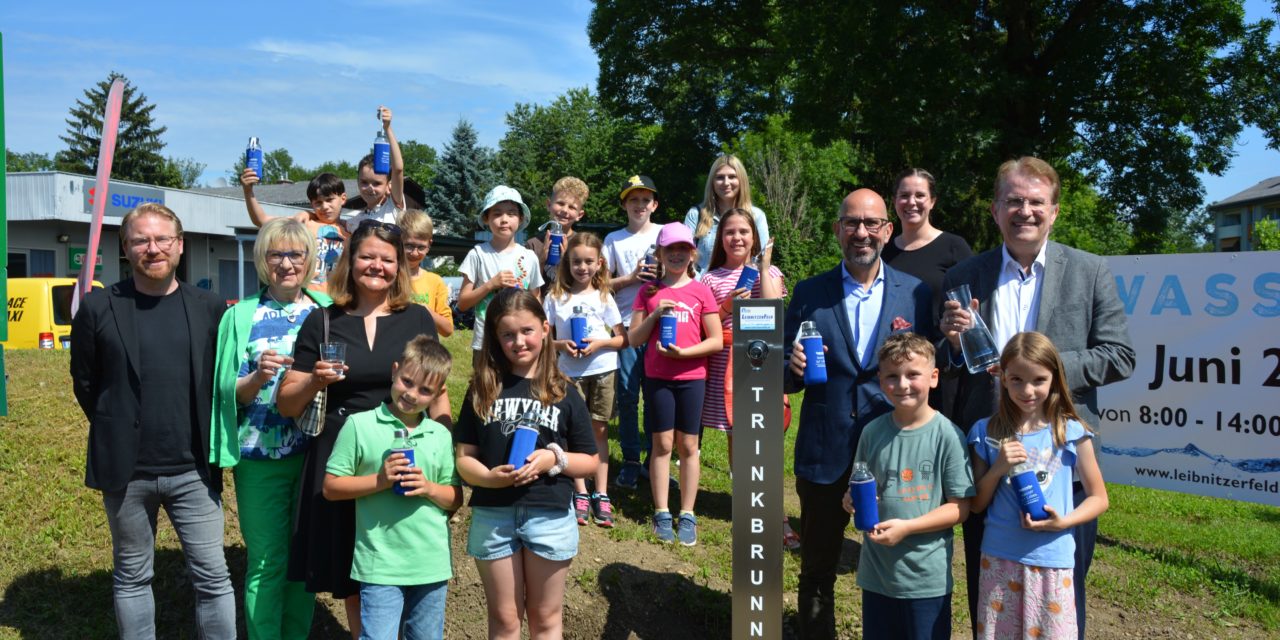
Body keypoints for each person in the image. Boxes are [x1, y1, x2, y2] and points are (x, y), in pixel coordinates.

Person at [940, 157, 1134, 638]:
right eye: (1013, 201)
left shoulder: (1090, 271)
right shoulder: (965, 275)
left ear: (1055, 211)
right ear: (994, 210)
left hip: (1061, 457)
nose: (1024, 211)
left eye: (1035, 202)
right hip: (989, 454)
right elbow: (946, 369)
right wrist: (949, 342)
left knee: (1063, 591)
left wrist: (1038, 371)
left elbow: (1120, 355)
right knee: (989, 592)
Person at [277, 219, 450, 638]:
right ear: (350, 261)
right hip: (343, 456)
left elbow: (438, 391)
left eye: (387, 259)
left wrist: (447, 450)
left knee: (401, 557)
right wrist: (315, 379)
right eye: (367, 256)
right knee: (352, 571)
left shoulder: (418, 319)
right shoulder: (321, 321)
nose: (377, 266)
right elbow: (286, 403)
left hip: (405, 454)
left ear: (400, 266)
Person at [70, 203, 235, 639]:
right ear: (126, 248)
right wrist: (116, 424)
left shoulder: (210, 307)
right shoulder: (98, 306)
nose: (153, 248)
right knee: (131, 575)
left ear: (180, 246)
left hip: (194, 469)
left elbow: (222, 382)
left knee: (213, 578)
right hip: (127, 470)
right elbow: (85, 382)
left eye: (163, 239)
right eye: (141, 240)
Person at [783, 189, 934, 640]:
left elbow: (929, 371)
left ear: (888, 231)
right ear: (837, 231)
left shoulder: (917, 295)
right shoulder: (811, 291)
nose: (861, 233)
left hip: (894, 451)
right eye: (851, 223)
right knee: (817, 571)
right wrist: (790, 367)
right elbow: (781, 376)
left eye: (871, 223)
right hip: (823, 452)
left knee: (895, 567)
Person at [453, 289, 599, 639]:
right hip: (494, 516)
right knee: (504, 620)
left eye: (527, 331)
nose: (519, 341)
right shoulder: (482, 389)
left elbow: (590, 462)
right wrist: (489, 477)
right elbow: (464, 459)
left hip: (549, 515)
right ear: (495, 338)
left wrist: (555, 458)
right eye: (507, 334)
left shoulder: (564, 391)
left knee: (545, 618)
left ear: (546, 329)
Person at [211, 218, 330, 639]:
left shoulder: (325, 311)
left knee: (302, 558)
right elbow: (228, 393)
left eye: (295, 254)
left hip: (315, 455)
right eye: (276, 254)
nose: (286, 263)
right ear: (263, 260)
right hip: (258, 456)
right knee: (266, 560)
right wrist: (258, 377)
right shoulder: (240, 316)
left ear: (309, 259)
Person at [967, 332, 1110, 640]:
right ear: (1003, 378)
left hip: (1052, 561)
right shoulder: (985, 432)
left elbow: (1099, 498)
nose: (1027, 390)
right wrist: (998, 469)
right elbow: (976, 504)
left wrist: (1064, 521)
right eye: (1016, 379)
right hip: (1000, 559)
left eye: (1038, 380)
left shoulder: (1071, 432)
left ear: (1055, 379)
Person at [323, 336, 462, 640]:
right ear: (394, 371)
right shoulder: (359, 426)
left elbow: (455, 498)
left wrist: (427, 487)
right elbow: (331, 487)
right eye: (407, 382)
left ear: (438, 393)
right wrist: (379, 481)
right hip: (379, 565)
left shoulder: (439, 434)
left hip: (430, 565)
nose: (412, 394)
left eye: (425, 390)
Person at [841, 333, 974, 640]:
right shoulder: (872, 432)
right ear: (880, 379)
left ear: (934, 377)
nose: (902, 385)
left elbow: (960, 507)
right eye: (892, 376)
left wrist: (908, 527)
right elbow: (859, 486)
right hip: (877, 575)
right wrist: (850, 500)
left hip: (925, 579)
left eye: (913, 374)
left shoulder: (949, 436)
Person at [697, 208, 799, 550]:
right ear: (720, 238)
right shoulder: (710, 278)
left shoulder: (769, 273)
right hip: (724, 362)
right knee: (735, 437)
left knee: (763, 438)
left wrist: (764, 265)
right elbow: (705, 325)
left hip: (760, 363)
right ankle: (748, 505)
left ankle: (777, 514)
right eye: (730, 232)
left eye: (744, 231)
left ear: (754, 237)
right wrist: (726, 307)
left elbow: (772, 308)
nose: (737, 238)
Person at [628, 222, 723, 546]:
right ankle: (661, 511)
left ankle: (688, 512)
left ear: (692, 253)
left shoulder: (701, 291)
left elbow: (715, 341)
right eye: (671, 250)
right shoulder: (649, 291)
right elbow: (633, 338)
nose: (677, 255)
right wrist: (656, 316)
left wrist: (685, 353)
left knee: (688, 446)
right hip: (658, 378)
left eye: (683, 249)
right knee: (663, 445)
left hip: (693, 378)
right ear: (660, 254)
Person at [544, 232, 625, 527]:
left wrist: (599, 344)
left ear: (599, 263)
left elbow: (621, 339)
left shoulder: (604, 296)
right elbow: (542, 338)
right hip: (569, 373)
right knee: (573, 431)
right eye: (576, 261)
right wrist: (561, 346)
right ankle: (580, 490)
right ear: (567, 262)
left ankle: (600, 492)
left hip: (603, 368)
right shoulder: (555, 297)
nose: (582, 267)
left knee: (599, 430)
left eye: (589, 261)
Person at [603, 175, 662, 490]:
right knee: (627, 396)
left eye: (645, 199)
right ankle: (629, 460)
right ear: (624, 204)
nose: (639, 205)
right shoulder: (613, 239)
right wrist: (630, 277)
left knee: (656, 397)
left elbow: (687, 271)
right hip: (627, 326)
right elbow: (600, 284)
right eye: (633, 200)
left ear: (654, 204)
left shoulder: (666, 234)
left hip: (662, 326)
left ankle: (656, 461)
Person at [457, 185, 545, 360]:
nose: (504, 219)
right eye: (497, 214)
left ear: (520, 219)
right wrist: (491, 285)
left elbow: (536, 300)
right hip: (486, 343)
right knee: (487, 387)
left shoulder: (529, 257)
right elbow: (462, 303)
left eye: (511, 213)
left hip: (521, 344)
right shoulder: (478, 254)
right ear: (486, 218)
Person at [241, 169, 349, 292]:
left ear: (343, 198)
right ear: (311, 204)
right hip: (308, 300)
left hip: (339, 301)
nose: (324, 206)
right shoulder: (303, 223)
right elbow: (261, 220)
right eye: (318, 202)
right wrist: (248, 191)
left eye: (329, 200)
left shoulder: (351, 230)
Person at [683, 154, 771, 275]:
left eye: (732, 177)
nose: (726, 182)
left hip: (745, 290)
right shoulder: (696, 215)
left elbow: (763, 260)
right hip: (702, 288)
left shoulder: (756, 216)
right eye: (720, 177)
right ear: (712, 182)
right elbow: (684, 256)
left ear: (742, 180)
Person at [344, 106, 407, 233]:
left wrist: (387, 128)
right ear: (357, 182)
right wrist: (308, 215)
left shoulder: (394, 207)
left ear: (389, 186)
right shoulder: (354, 222)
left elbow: (398, 169)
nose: (370, 188)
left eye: (377, 183)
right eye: (364, 182)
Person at [398, 209, 454, 337]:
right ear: (398, 241)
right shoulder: (389, 278)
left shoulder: (435, 281)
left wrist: (426, 311)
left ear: (429, 245)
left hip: (425, 353)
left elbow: (448, 329)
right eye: (409, 246)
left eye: (421, 247)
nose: (414, 253)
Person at [527, 176, 589, 290]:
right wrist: (540, 261)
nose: (565, 210)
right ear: (548, 205)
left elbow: (587, 286)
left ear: (579, 215)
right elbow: (525, 285)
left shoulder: (583, 245)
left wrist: (567, 260)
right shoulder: (532, 245)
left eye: (572, 207)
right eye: (560, 203)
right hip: (538, 305)